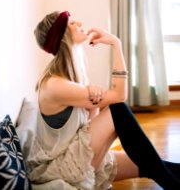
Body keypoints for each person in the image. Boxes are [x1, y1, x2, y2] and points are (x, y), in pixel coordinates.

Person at [29, 10, 180, 190]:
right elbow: (119, 96)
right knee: (119, 109)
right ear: (61, 35)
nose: (78, 22)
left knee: (156, 165)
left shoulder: (71, 78)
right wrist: (116, 44)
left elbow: (89, 125)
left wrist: (93, 102)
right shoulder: (54, 85)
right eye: (71, 23)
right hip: (60, 166)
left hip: (76, 153)